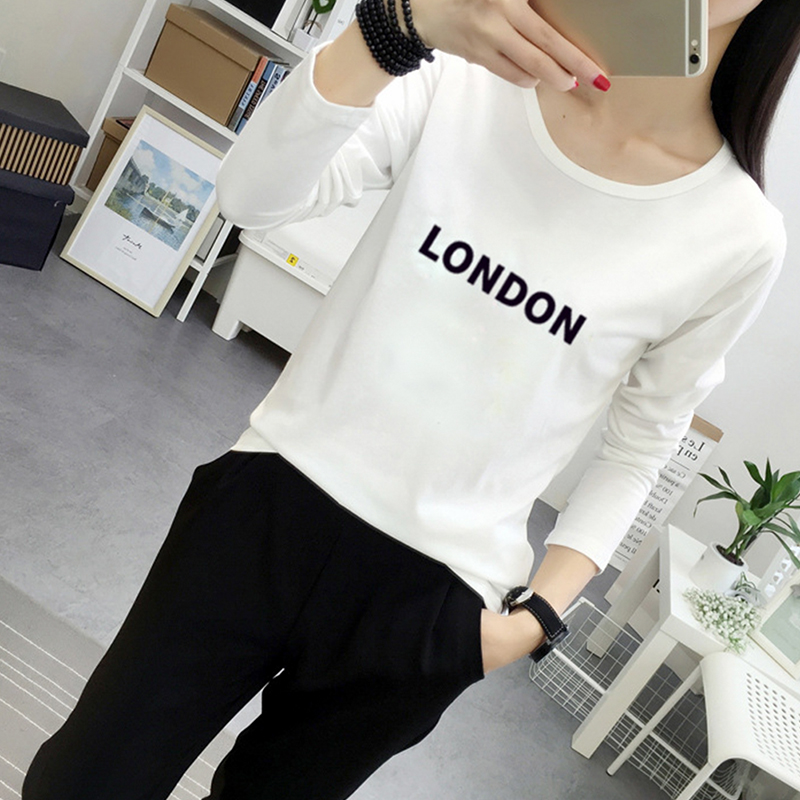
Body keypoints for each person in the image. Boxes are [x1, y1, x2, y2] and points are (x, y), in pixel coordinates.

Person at [23, 0, 799, 798]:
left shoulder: (737, 233)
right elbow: (252, 198)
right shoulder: (467, 68)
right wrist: (394, 27)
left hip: (433, 602)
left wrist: (533, 621)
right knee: (82, 782)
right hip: (267, 507)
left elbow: (643, 444)